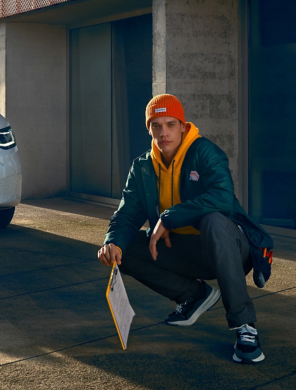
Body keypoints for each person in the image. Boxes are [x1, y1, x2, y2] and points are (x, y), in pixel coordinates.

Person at [97, 94, 274, 364]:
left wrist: (169, 218)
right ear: (149, 128)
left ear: (182, 125)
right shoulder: (142, 166)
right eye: (156, 125)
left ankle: (245, 327)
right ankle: (194, 295)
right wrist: (113, 242)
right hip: (181, 251)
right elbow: (126, 215)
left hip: (227, 248)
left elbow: (223, 199)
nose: (164, 132)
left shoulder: (205, 152)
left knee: (213, 220)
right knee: (127, 248)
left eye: (170, 124)